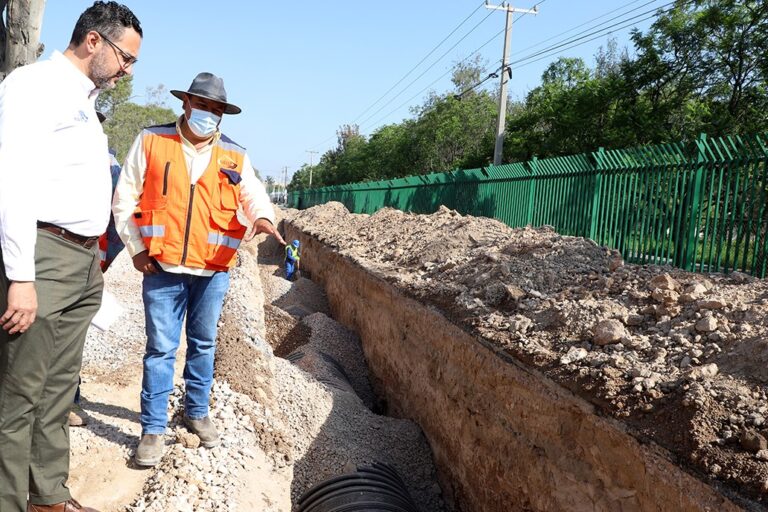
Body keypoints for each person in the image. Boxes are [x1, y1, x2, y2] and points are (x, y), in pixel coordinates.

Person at [0, 2, 142, 511]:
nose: (127, 70)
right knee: (20, 394)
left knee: (58, 391)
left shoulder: (83, 100)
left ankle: (47, 495)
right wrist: (20, 276)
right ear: (94, 42)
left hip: (82, 262)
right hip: (45, 256)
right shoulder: (33, 86)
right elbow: (11, 181)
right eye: (126, 58)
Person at [112, 72, 285, 467]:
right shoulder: (153, 140)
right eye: (202, 105)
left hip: (213, 271)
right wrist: (137, 250)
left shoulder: (235, 155)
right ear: (186, 104)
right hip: (162, 269)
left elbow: (254, 195)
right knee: (160, 349)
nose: (208, 114)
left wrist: (262, 217)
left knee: (204, 345)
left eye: (216, 109)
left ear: (223, 115)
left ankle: (196, 411)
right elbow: (124, 199)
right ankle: (153, 429)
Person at [69, 115, 126, 428]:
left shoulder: (108, 165)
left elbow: (116, 223)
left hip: (84, 260)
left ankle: (67, 401)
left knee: (70, 334)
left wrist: (101, 265)